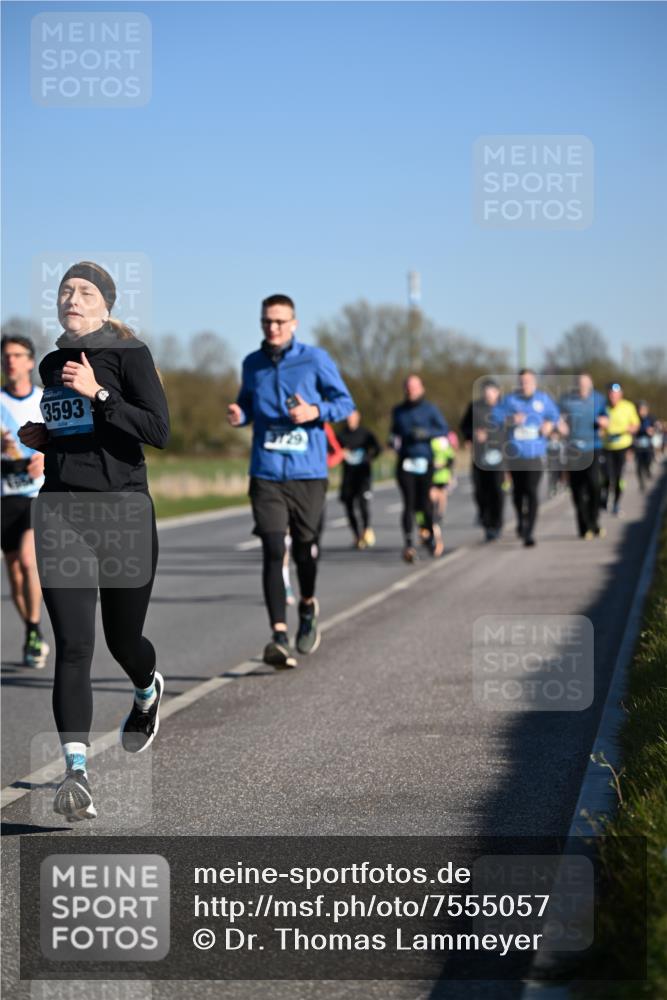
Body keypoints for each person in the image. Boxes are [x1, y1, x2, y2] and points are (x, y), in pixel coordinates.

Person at [18, 261, 169, 822]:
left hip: (124, 511)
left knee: (122, 640)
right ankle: (75, 774)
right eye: (64, 291)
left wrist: (101, 392)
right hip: (61, 511)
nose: (71, 299)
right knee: (75, 646)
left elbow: (158, 431)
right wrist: (45, 436)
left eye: (84, 292)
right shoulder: (52, 361)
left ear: (105, 305)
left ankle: (146, 687)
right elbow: (74, 431)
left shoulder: (133, 357)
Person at [227, 294, 354, 669]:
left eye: (280, 321)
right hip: (266, 470)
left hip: (308, 473)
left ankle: (308, 605)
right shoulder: (252, 363)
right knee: (271, 547)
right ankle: (278, 636)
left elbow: (345, 403)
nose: (273, 328)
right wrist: (240, 414)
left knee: (304, 548)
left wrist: (316, 411)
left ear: (294, 323)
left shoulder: (315, 359)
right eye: (267, 321)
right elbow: (247, 403)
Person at [1, 335, 50, 667]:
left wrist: (46, 457)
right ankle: (32, 628)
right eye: (6, 356)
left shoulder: (45, 400)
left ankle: (34, 632)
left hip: (38, 493)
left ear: (30, 362)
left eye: (18, 355)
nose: (11, 361)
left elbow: (65, 441)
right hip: (5, 494)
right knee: (15, 572)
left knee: (30, 561)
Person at [493, 369, 559, 547]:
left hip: (535, 454)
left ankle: (529, 532)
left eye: (528, 381)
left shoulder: (543, 399)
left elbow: (554, 415)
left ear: (534, 382)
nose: (525, 384)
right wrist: (510, 419)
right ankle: (521, 520)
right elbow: (495, 417)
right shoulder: (510, 400)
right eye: (522, 381)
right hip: (515, 455)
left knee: (531, 491)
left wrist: (549, 424)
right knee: (517, 493)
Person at [390, 374, 449, 562]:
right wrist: (392, 440)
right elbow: (394, 432)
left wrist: (427, 434)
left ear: (421, 388)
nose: (411, 391)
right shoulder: (398, 411)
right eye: (408, 387)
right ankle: (408, 544)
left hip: (425, 460)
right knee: (408, 503)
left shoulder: (430, 409)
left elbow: (444, 429)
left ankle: (430, 534)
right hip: (406, 461)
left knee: (424, 503)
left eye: (414, 387)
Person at [558, 374, 608, 539]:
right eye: (580, 384)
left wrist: (604, 421)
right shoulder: (566, 400)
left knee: (594, 485)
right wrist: (560, 425)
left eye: (586, 384)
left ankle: (594, 522)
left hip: (593, 447)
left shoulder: (599, 399)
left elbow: (606, 416)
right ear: (575, 385)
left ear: (591, 385)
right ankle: (583, 526)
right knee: (577, 488)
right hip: (573, 449)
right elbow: (555, 417)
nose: (583, 387)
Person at [460, 379, 505, 541]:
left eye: (492, 390)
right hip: (479, 456)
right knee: (480, 491)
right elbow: (464, 426)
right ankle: (485, 520)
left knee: (497, 491)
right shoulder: (475, 407)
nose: (488, 393)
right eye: (485, 390)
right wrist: (471, 436)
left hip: (499, 456)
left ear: (498, 391)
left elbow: (509, 430)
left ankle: (496, 524)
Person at [337, 410, 381, 549]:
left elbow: (377, 449)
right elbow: (332, 450)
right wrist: (340, 454)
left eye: (352, 417)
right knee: (348, 506)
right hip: (348, 476)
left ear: (358, 417)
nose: (350, 420)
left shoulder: (366, 434)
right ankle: (356, 535)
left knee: (363, 504)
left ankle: (366, 530)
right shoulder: (341, 435)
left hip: (363, 476)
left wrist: (368, 457)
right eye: (348, 417)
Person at [600, 382, 639, 515]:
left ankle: (616, 503)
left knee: (618, 478)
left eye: (615, 394)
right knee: (606, 475)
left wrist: (626, 430)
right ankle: (604, 497)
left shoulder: (628, 406)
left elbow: (636, 425)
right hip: (606, 446)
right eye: (610, 394)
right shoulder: (602, 406)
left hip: (622, 446)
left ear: (621, 394)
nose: (613, 397)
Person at [633, 401, 655, 492]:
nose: (642, 411)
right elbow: (633, 430)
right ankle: (642, 483)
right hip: (638, 446)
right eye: (641, 409)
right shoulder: (635, 418)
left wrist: (652, 431)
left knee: (648, 460)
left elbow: (654, 428)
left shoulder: (651, 418)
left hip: (648, 446)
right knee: (638, 465)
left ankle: (648, 470)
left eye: (644, 409)